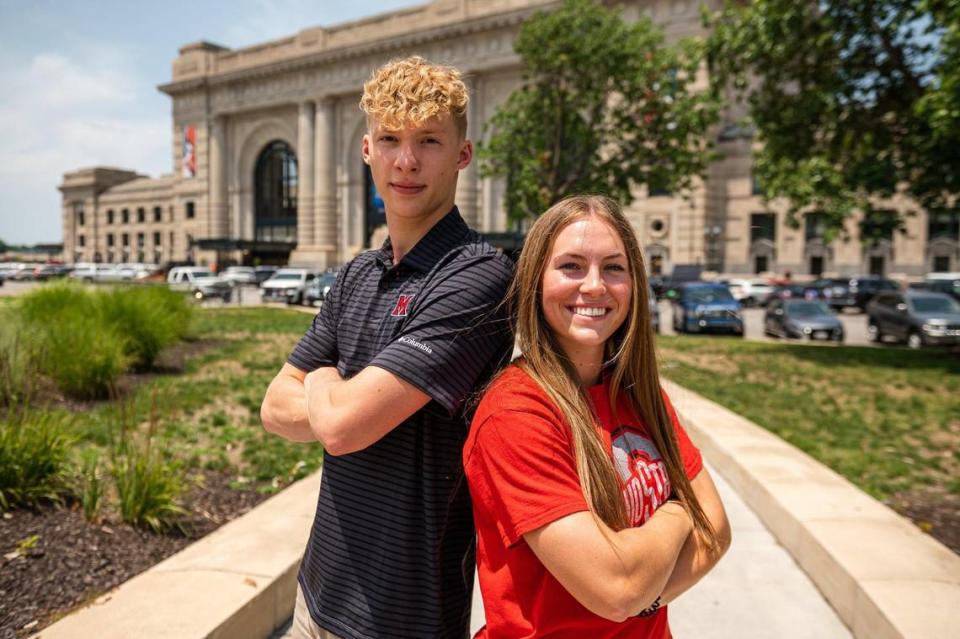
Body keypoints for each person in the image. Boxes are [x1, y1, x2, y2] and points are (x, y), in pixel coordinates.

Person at [261, 56, 514, 639]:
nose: (407, 161)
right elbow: (274, 407)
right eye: (391, 138)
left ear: (462, 155)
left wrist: (323, 380)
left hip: (404, 617)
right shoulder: (357, 275)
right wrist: (344, 403)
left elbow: (344, 428)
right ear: (367, 150)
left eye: (428, 140)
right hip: (315, 596)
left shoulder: (477, 276)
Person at [464, 195, 731, 638]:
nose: (594, 286)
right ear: (536, 281)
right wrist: (679, 513)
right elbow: (616, 588)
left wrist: (639, 599)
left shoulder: (640, 394)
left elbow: (718, 532)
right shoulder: (516, 413)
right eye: (571, 266)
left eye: (613, 267)